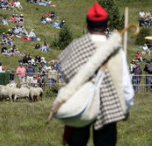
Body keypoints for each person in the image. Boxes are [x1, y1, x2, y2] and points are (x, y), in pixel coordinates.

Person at [55, 2, 134, 145]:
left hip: (80, 105)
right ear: (107, 24)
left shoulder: (76, 47)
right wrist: (125, 108)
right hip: (108, 108)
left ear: (87, 25)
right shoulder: (116, 50)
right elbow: (126, 87)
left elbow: (66, 77)